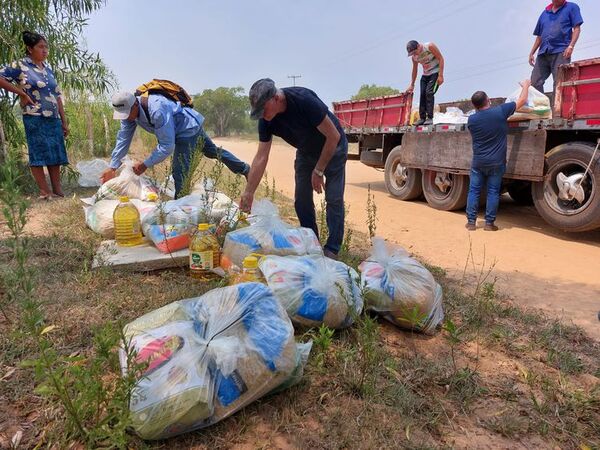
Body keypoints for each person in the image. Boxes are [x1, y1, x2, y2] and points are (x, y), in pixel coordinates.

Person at [240, 78, 347, 260]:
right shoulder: (266, 120)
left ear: (276, 98)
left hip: (333, 148)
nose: (261, 115)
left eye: (263, 110)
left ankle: (332, 249)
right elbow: (261, 156)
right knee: (301, 199)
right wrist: (249, 191)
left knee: (334, 198)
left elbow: (333, 136)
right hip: (306, 152)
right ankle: (312, 243)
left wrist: (319, 170)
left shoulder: (304, 100)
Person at [100, 90, 250, 198]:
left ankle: (181, 208)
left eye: (127, 114)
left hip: (187, 129)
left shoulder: (157, 108)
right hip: (187, 126)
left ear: (134, 106)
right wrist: (113, 166)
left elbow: (167, 145)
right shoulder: (129, 116)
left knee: (180, 172)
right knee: (213, 152)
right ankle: (245, 169)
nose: (125, 118)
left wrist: (145, 164)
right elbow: (123, 139)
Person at [0, 31, 69, 200]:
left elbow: (57, 96)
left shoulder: (48, 70)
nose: (45, 50)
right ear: (30, 49)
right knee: (38, 152)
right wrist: (21, 93)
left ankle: (57, 190)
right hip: (34, 115)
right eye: (41, 47)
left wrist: (64, 121)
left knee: (55, 152)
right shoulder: (21, 65)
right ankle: (45, 192)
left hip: (53, 118)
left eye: (46, 47)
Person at [465, 80, 531, 231]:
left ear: (474, 106)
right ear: (488, 100)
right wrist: (526, 85)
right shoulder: (500, 112)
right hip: (496, 163)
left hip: (478, 163)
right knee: (493, 192)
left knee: (474, 190)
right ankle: (489, 224)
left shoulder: (472, 120)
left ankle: (471, 223)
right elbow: (521, 101)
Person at [529, 0, 583, 95]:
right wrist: (532, 52)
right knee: (534, 81)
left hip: (561, 52)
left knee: (559, 84)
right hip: (543, 52)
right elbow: (539, 36)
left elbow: (577, 28)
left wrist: (571, 46)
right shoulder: (544, 14)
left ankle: (557, 109)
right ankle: (542, 107)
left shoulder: (571, 7)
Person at [405, 40, 445, 126]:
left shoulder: (429, 46)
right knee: (422, 94)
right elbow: (414, 70)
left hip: (435, 73)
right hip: (425, 75)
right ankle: (422, 118)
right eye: (412, 54)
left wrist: (441, 75)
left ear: (419, 46)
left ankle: (430, 117)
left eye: (415, 52)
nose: (414, 54)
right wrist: (412, 84)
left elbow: (441, 58)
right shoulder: (414, 58)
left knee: (429, 93)